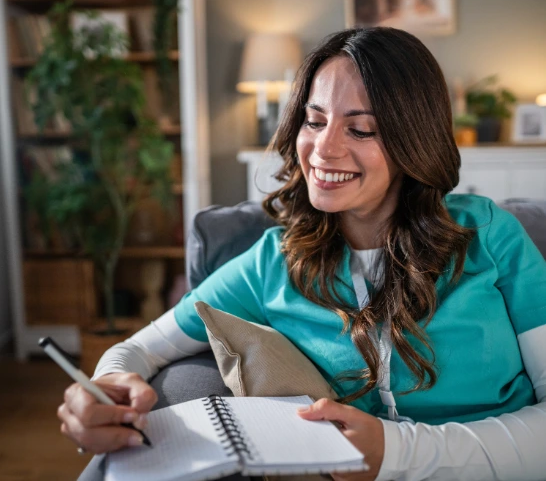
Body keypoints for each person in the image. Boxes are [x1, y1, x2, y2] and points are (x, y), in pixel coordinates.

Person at [58, 27, 546, 480]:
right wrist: (104, 391)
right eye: (314, 121)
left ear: (412, 141)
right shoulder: (274, 261)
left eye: (361, 130)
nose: (322, 149)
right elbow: (140, 348)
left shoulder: (489, 235)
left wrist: (397, 451)